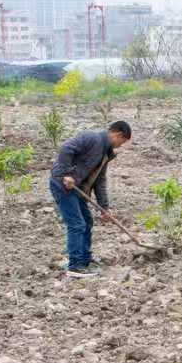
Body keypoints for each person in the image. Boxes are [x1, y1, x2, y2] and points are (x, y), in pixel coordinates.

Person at [50, 118, 132, 277]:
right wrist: (66, 173)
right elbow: (66, 148)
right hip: (62, 184)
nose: (120, 146)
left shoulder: (105, 154)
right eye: (121, 142)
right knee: (77, 224)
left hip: (77, 188)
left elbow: (99, 181)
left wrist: (104, 208)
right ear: (117, 134)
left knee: (87, 221)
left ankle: (85, 260)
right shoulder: (91, 138)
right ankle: (75, 266)